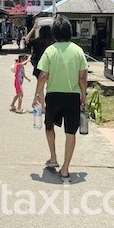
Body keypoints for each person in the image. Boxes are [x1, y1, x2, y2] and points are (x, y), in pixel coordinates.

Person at [32, 16, 88, 182]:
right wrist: (84, 96)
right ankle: (65, 169)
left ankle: (53, 156)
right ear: (70, 32)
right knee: (71, 132)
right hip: (73, 97)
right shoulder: (78, 51)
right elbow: (83, 77)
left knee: (49, 126)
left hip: (53, 96)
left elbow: (42, 76)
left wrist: (37, 95)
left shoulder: (50, 51)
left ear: (54, 33)